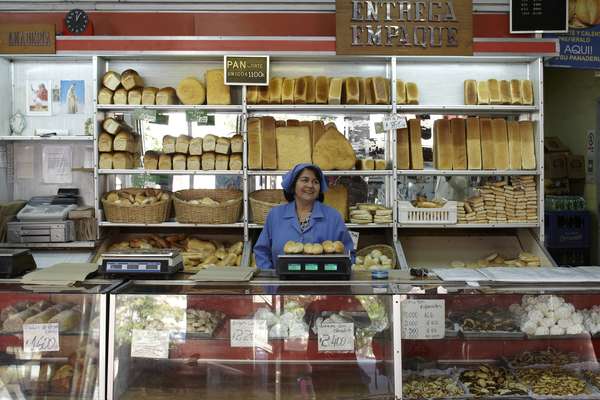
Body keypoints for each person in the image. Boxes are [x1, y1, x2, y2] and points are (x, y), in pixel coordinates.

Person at [254, 163, 354, 270]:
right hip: (282, 283)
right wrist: (271, 276)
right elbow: (261, 251)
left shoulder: (333, 217)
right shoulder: (275, 215)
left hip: (323, 284)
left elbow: (349, 254)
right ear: (293, 185)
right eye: (305, 180)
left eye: (315, 182)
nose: (310, 185)